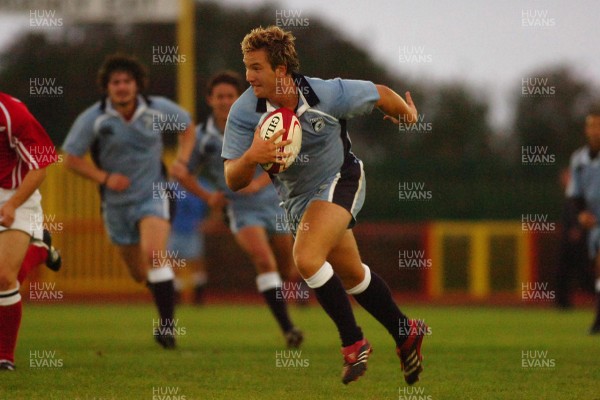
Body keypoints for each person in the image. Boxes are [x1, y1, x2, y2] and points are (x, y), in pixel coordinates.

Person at [222, 26, 426, 385]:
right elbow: (233, 179)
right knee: (352, 274)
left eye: (256, 67)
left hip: (341, 180)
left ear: (281, 70)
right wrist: (251, 156)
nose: (249, 76)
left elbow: (379, 94)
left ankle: (353, 342)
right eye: (247, 67)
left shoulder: (326, 93)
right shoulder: (244, 112)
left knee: (306, 258)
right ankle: (405, 332)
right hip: (298, 201)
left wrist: (407, 116)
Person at [62, 54, 195, 349]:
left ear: (137, 85)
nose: (121, 87)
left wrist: (182, 161)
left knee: (153, 255)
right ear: (107, 87)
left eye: (127, 81)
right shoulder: (94, 118)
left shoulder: (158, 109)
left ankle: (167, 328)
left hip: (154, 193)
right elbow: (71, 158)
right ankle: (163, 290)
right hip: (116, 204)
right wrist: (105, 178)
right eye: (115, 82)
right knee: (139, 274)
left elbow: (187, 127)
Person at [175, 71, 303, 348]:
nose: (224, 101)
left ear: (238, 99)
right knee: (263, 261)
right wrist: (208, 197)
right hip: (240, 210)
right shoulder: (201, 137)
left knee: (287, 269)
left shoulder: (259, 124)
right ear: (210, 100)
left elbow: (283, 155)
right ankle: (289, 328)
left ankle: (290, 295)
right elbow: (181, 173)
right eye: (219, 96)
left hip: (274, 203)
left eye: (230, 96)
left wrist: (258, 183)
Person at [0, 92, 61, 371]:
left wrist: (13, 203)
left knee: (3, 277)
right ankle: (40, 248)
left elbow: (42, 165)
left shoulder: (13, 113)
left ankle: (4, 358)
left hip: (16, 195)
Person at [566, 109, 600, 333]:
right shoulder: (579, 159)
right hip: (596, 223)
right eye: (592, 126)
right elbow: (575, 193)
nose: (595, 130)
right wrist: (582, 214)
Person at [167, 176, 211, 305]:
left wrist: (208, 222)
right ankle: (176, 298)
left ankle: (199, 298)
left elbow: (214, 202)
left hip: (193, 231)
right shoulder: (171, 187)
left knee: (197, 264)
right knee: (174, 265)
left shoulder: (201, 185)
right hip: (174, 231)